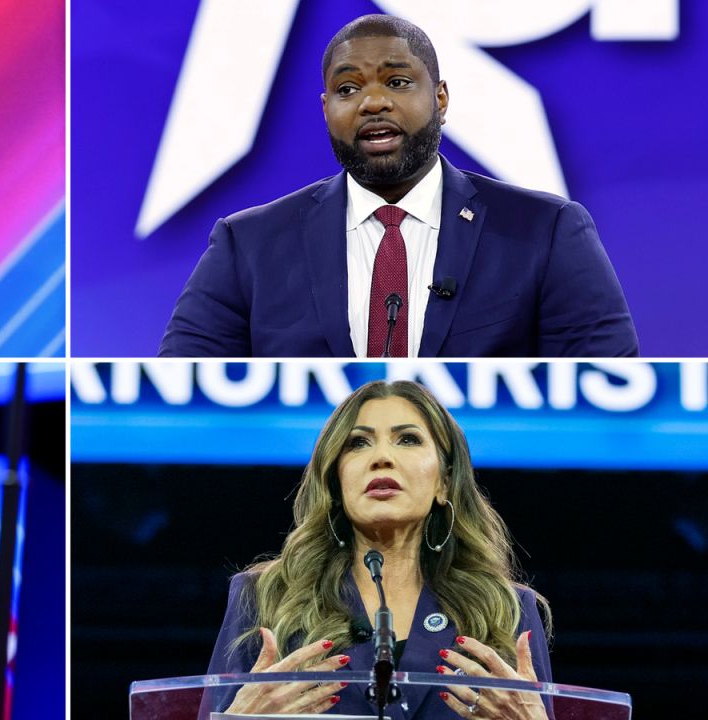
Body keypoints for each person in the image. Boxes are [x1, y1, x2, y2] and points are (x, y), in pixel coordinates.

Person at [160, 14, 637, 358]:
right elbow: (181, 387)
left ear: (441, 98)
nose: (372, 102)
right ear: (326, 110)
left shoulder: (545, 231)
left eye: (397, 81)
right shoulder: (248, 244)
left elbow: (604, 384)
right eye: (348, 90)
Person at [206, 380, 551, 719]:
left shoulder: (507, 608)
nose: (382, 457)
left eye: (408, 439)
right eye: (358, 443)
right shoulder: (265, 595)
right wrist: (239, 717)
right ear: (336, 483)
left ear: (444, 483)